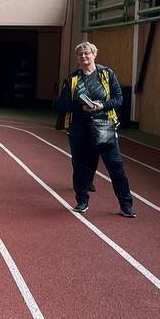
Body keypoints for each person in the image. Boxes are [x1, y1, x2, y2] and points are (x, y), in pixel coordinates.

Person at [55, 41, 136, 217]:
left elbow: (118, 99)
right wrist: (81, 107)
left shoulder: (107, 74)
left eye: (87, 53)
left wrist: (102, 105)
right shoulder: (72, 79)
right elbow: (61, 104)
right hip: (79, 127)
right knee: (80, 165)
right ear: (77, 58)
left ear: (94, 54)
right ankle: (82, 201)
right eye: (80, 54)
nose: (84, 56)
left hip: (104, 125)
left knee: (115, 165)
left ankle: (126, 204)